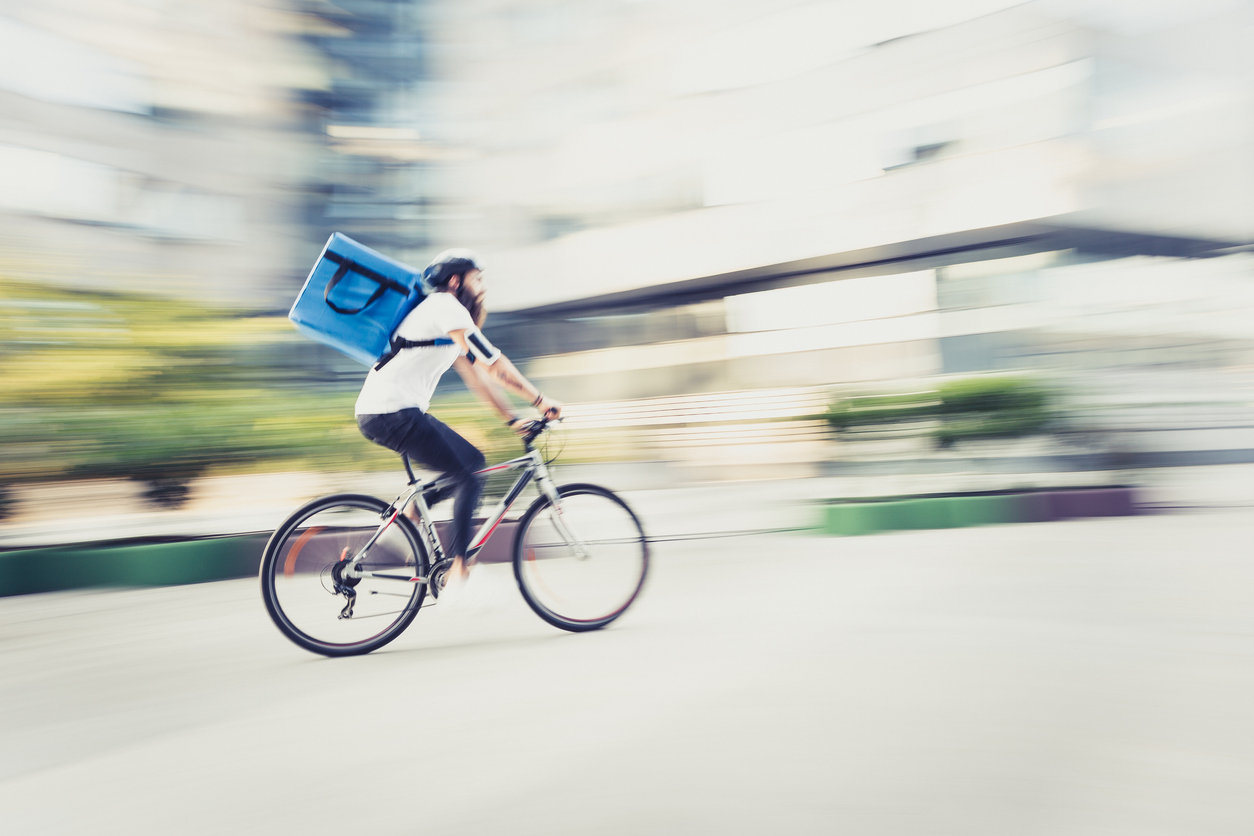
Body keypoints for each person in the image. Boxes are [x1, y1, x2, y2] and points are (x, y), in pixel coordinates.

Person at [355, 249, 561, 585]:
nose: (483, 286)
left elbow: (478, 376)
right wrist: (539, 399)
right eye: (477, 278)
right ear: (455, 281)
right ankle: (459, 571)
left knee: (472, 464)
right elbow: (494, 364)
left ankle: (407, 521)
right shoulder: (444, 306)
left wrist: (511, 419)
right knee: (470, 474)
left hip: (389, 411)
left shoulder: (445, 320)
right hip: (391, 411)